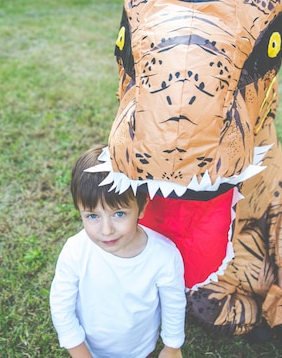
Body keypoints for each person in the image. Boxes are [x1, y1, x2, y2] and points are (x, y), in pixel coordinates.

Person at [49, 144, 187, 358]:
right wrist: (80, 352)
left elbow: (173, 304)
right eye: (92, 216)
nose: (106, 230)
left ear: (141, 207)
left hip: (143, 350)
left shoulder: (164, 255)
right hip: (90, 351)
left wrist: (171, 347)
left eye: (119, 214)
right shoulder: (75, 251)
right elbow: (61, 306)